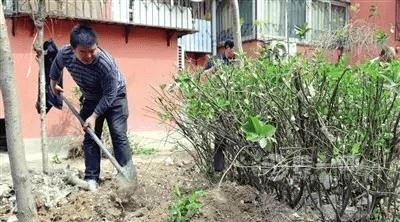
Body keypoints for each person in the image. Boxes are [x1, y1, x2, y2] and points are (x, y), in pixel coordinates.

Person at [49, 24, 136, 191]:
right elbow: (56, 65)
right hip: (90, 96)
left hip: (115, 96)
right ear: (73, 49)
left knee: (118, 134)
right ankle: (92, 178)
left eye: (93, 50)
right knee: (90, 136)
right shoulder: (65, 53)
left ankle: (128, 178)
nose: (89, 56)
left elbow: (110, 95)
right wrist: (54, 84)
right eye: (83, 52)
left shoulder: (105, 64)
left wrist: (94, 116)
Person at [203, 39, 235, 172]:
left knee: (228, 135)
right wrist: (215, 69)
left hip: (229, 103)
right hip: (218, 102)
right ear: (227, 48)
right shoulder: (215, 59)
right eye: (233, 50)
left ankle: (227, 166)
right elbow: (203, 75)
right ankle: (218, 168)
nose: (234, 52)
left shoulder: (230, 63)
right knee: (220, 135)